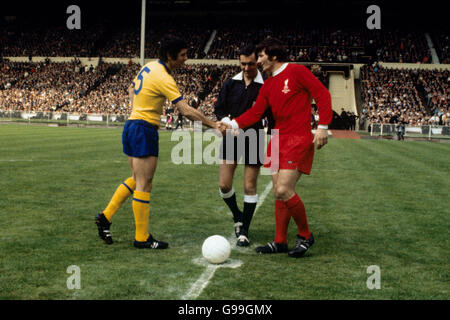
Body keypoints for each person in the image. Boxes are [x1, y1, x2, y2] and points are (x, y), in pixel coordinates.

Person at [95, 36, 218, 249]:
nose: (186, 59)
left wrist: (136, 110)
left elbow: (131, 89)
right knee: (144, 183)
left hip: (133, 126)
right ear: (170, 56)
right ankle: (141, 238)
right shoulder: (164, 77)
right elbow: (186, 111)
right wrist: (214, 125)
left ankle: (105, 217)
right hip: (144, 129)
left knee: (135, 179)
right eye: (182, 55)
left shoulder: (149, 67)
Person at [219, 38, 332, 258]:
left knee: (283, 190)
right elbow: (255, 113)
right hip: (277, 140)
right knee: (278, 196)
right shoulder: (269, 84)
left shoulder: (297, 71)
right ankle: (280, 241)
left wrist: (322, 126)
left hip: (297, 138)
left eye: (260, 56)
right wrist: (232, 124)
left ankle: (305, 235)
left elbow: (323, 95)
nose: (258, 61)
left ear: (273, 55)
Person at [214, 44, 271, 247]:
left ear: (258, 62)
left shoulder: (266, 85)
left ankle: (244, 230)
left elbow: (269, 114)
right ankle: (237, 214)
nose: (246, 68)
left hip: (254, 137)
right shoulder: (231, 83)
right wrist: (225, 121)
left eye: (251, 64)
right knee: (224, 185)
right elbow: (219, 107)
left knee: (249, 186)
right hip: (231, 137)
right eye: (243, 64)